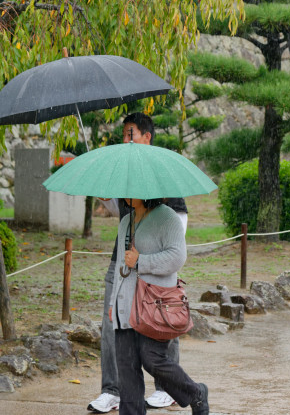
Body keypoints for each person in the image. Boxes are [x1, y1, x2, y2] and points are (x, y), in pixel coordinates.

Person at [90, 113, 189, 413]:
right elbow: (117, 209)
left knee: (161, 323)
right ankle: (112, 390)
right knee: (113, 325)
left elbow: (178, 221)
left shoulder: (162, 170)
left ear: (147, 136)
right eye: (123, 134)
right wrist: (105, 193)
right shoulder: (123, 170)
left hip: (153, 264)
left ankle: (167, 389)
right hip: (121, 261)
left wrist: (151, 257)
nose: (126, 139)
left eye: (130, 133)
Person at [110, 196, 209, 415]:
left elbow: (177, 257)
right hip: (125, 304)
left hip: (155, 305)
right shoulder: (127, 221)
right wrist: (113, 303)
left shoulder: (167, 217)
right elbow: (120, 265)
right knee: (126, 367)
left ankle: (195, 393)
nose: (126, 196)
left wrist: (141, 261)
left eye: (131, 191)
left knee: (153, 359)